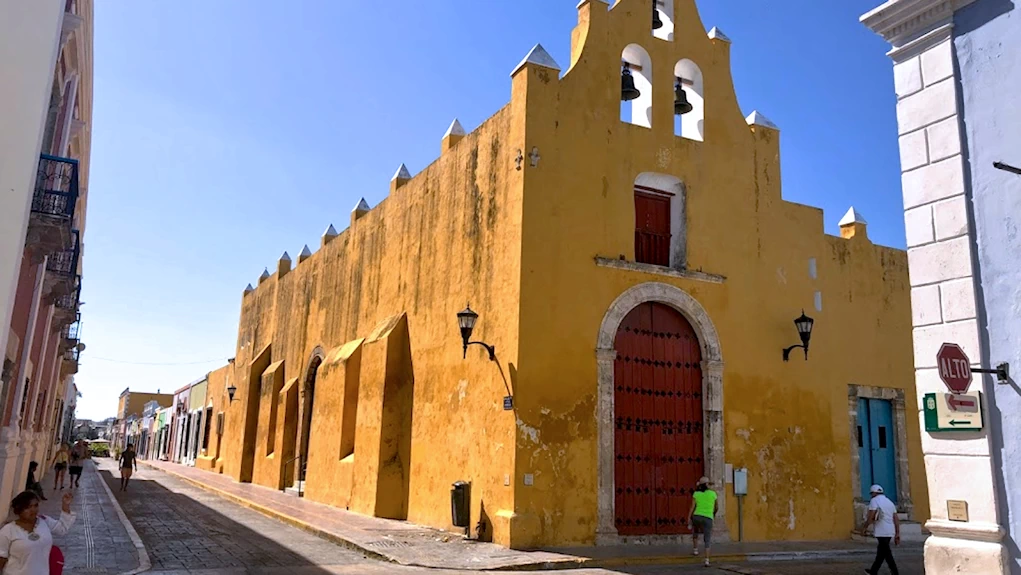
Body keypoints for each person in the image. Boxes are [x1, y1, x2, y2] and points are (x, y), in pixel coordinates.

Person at [0, 490, 75, 575]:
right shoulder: (7, 531)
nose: (33, 510)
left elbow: (62, 529)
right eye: (28, 507)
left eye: (35, 505)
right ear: (19, 509)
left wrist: (65, 506)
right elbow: (1, 559)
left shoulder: (44, 521)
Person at [861, 484, 900, 575]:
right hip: (890, 531)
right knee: (882, 552)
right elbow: (896, 518)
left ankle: (895, 572)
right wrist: (897, 533)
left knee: (886, 553)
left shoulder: (874, 501)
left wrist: (865, 527)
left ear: (874, 493)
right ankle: (873, 571)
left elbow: (871, 516)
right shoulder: (889, 502)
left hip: (881, 531)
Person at [686, 476, 718, 567]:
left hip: (697, 516)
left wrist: (689, 518)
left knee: (695, 531)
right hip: (708, 517)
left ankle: (695, 550)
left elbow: (692, 507)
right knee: (707, 538)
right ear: (707, 485)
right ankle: (707, 560)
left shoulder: (696, 494)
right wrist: (713, 514)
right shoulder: (713, 494)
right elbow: (716, 507)